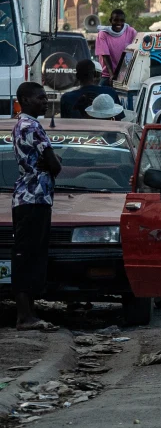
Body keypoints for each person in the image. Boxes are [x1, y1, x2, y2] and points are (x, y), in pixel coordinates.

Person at [11, 82, 61, 331]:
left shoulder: (21, 125)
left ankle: (28, 313)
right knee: (29, 256)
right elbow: (54, 164)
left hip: (28, 197)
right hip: (34, 198)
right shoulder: (33, 126)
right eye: (40, 98)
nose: (45, 101)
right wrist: (54, 162)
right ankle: (25, 316)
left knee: (28, 255)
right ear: (26, 100)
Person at [94, 9, 137, 86]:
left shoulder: (131, 31)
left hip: (126, 75)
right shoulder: (103, 34)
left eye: (121, 20)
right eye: (116, 20)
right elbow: (105, 55)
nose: (119, 23)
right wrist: (111, 75)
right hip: (108, 75)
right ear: (111, 21)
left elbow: (135, 49)